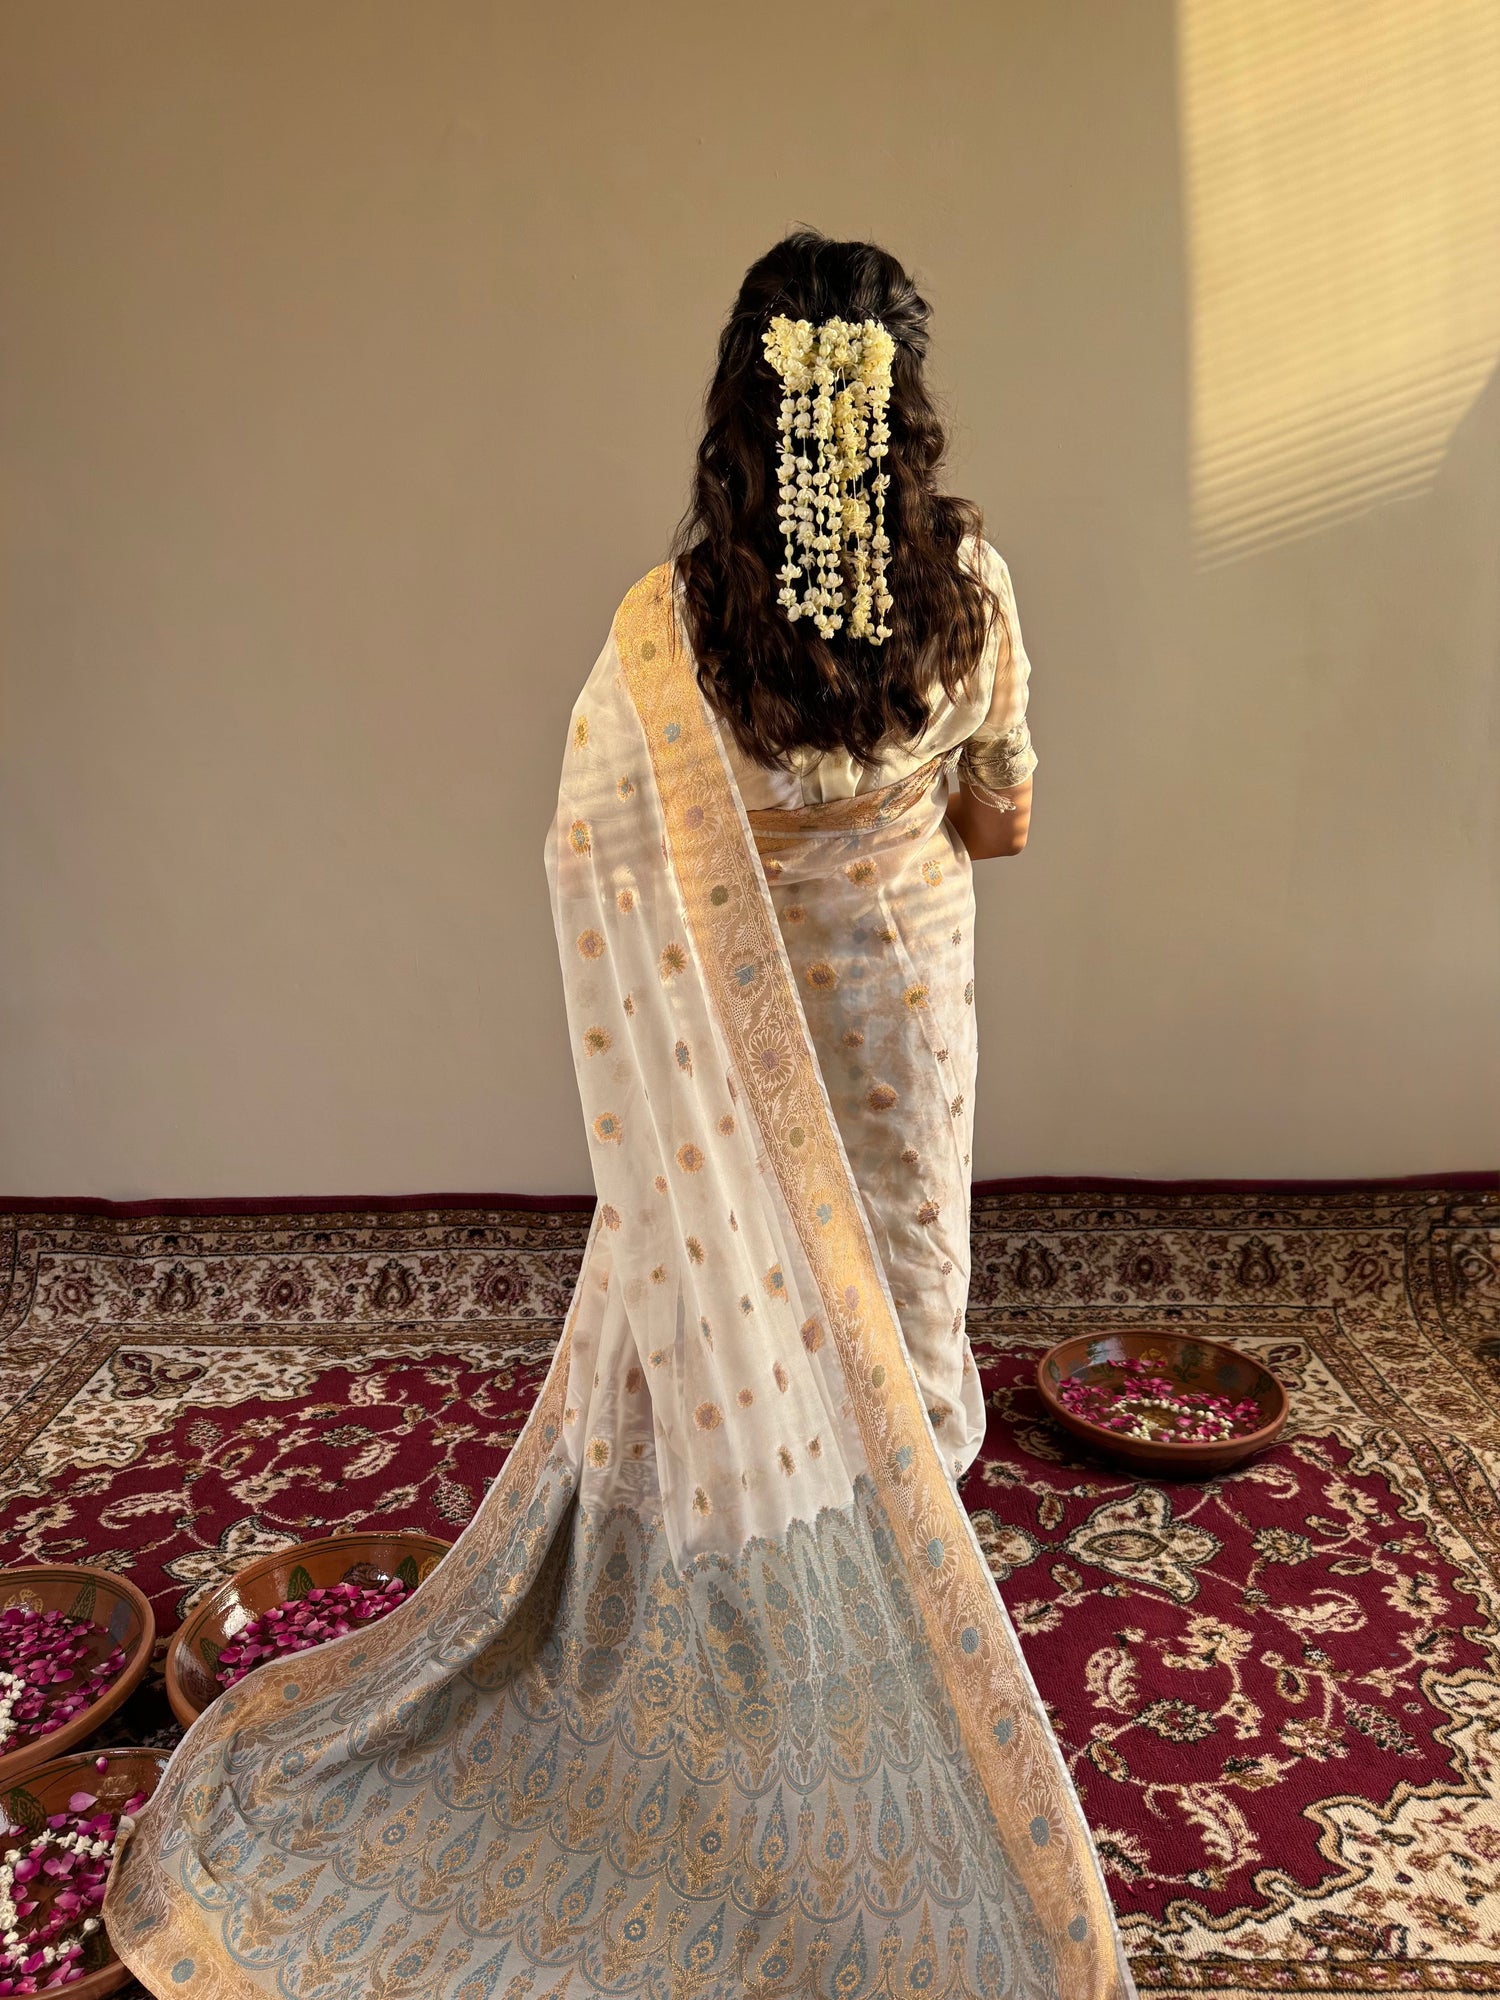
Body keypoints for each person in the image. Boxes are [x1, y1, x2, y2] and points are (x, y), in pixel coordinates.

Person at [106, 229, 1136, 2000]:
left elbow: (599, 850)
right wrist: (901, 811)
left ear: (745, 412)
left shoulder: (677, 630)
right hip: (901, 1019)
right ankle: (906, 1580)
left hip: (732, 1051)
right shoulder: (967, 590)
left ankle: (753, 1565)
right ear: (900, 414)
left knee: (750, 1289)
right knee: (899, 1285)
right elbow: (1005, 819)